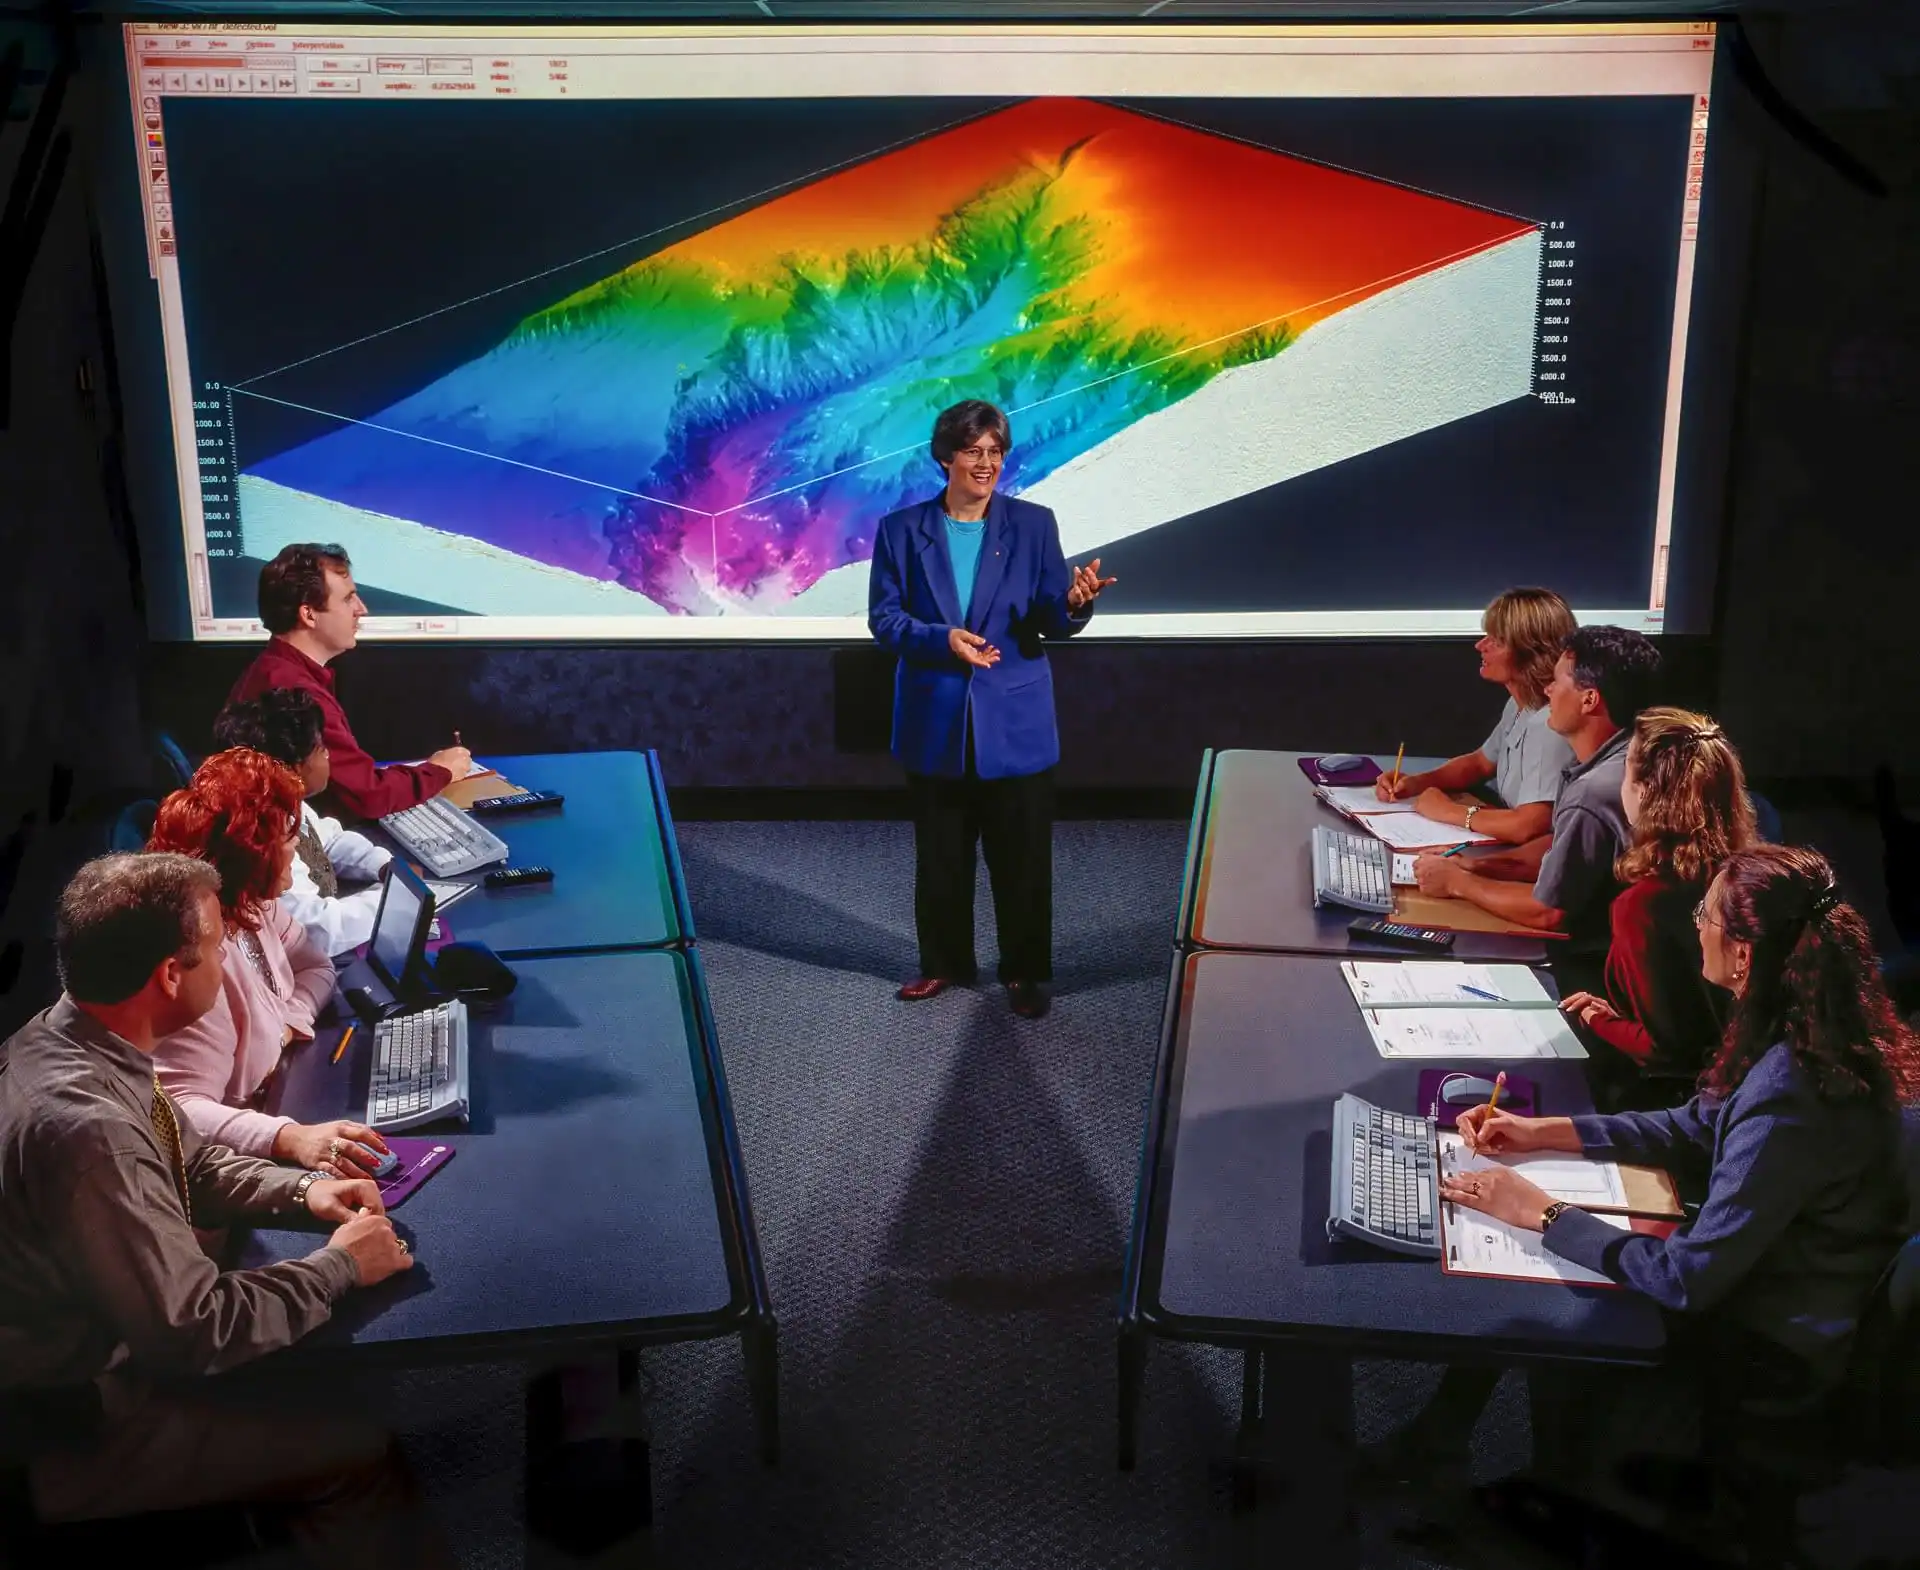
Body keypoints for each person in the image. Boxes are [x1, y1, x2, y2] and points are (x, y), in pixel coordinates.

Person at [1381, 845, 1917, 1531]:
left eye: (1705, 914)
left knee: (1547, 1303)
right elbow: (1695, 1124)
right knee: (1542, 1269)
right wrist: (1545, 1131)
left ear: (1745, 951)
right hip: (1771, 1271)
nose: (1696, 926)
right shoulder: (1807, 1022)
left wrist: (1543, 1213)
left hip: (1768, 1344)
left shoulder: (1794, 1095)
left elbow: (1691, 1278)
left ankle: (1545, 1508)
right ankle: (1443, 1448)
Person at [0, 852, 438, 1567]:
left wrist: (300, 1190)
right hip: (66, 1425)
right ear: (170, 976)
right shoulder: (90, 1135)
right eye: (216, 948)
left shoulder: (66, 1037)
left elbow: (191, 1161)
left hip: (96, 1351)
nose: (230, 955)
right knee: (357, 1451)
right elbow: (196, 1328)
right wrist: (338, 1268)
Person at [868, 399, 1115, 1019]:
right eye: (974, 451)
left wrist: (1076, 603)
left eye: (995, 452)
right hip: (936, 719)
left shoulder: (1033, 526)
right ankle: (945, 965)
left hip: (1016, 720)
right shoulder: (901, 530)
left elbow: (1047, 617)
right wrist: (940, 639)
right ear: (946, 457)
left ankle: (1025, 972)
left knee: (1022, 859)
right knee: (942, 859)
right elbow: (885, 619)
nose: (986, 464)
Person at [146, 748, 388, 1179]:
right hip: (222, 1170)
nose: (296, 855)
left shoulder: (255, 906)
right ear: (254, 851)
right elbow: (180, 1108)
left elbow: (316, 967)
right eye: (289, 844)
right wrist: (291, 1138)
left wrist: (288, 1023)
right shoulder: (196, 956)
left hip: (272, 1110)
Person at [1413, 625, 1662, 965]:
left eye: (1557, 682)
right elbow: (1560, 846)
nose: (1547, 690)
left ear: (1589, 699)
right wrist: (1480, 866)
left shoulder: (1595, 791)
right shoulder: (1628, 755)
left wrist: (1459, 883)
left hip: (1592, 964)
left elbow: (1548, 912)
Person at [1559, 707, 1758, 1090]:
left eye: (1626, 771)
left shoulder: (1643, 905)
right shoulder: (1745, 875)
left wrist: (1597, 1019)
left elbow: (1668, 1050)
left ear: (1645, 791)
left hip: (1682, 1099)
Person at [228, 542, 471, 820]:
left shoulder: (274, 669)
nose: (362, 609)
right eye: (348, 599)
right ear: (309, 614)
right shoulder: (297, 692)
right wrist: (440, 770)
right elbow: (367, 796)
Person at [1376, 587, 1577, 846]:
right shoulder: (1520, 705)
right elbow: (1480, 763)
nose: (1480, 646)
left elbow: (1528, 826)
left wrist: (1447, 811)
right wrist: (1416, 783)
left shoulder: (1552, 722)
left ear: (1531, 651)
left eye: (1497, 641)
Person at [213, 687, 393, 957]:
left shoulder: (278, 798)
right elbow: (318, 932)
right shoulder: (260, 836)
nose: (328, 756)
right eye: (322, 749)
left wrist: (380, 865)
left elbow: (327, 839)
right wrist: (392, 900)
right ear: (296, 767)